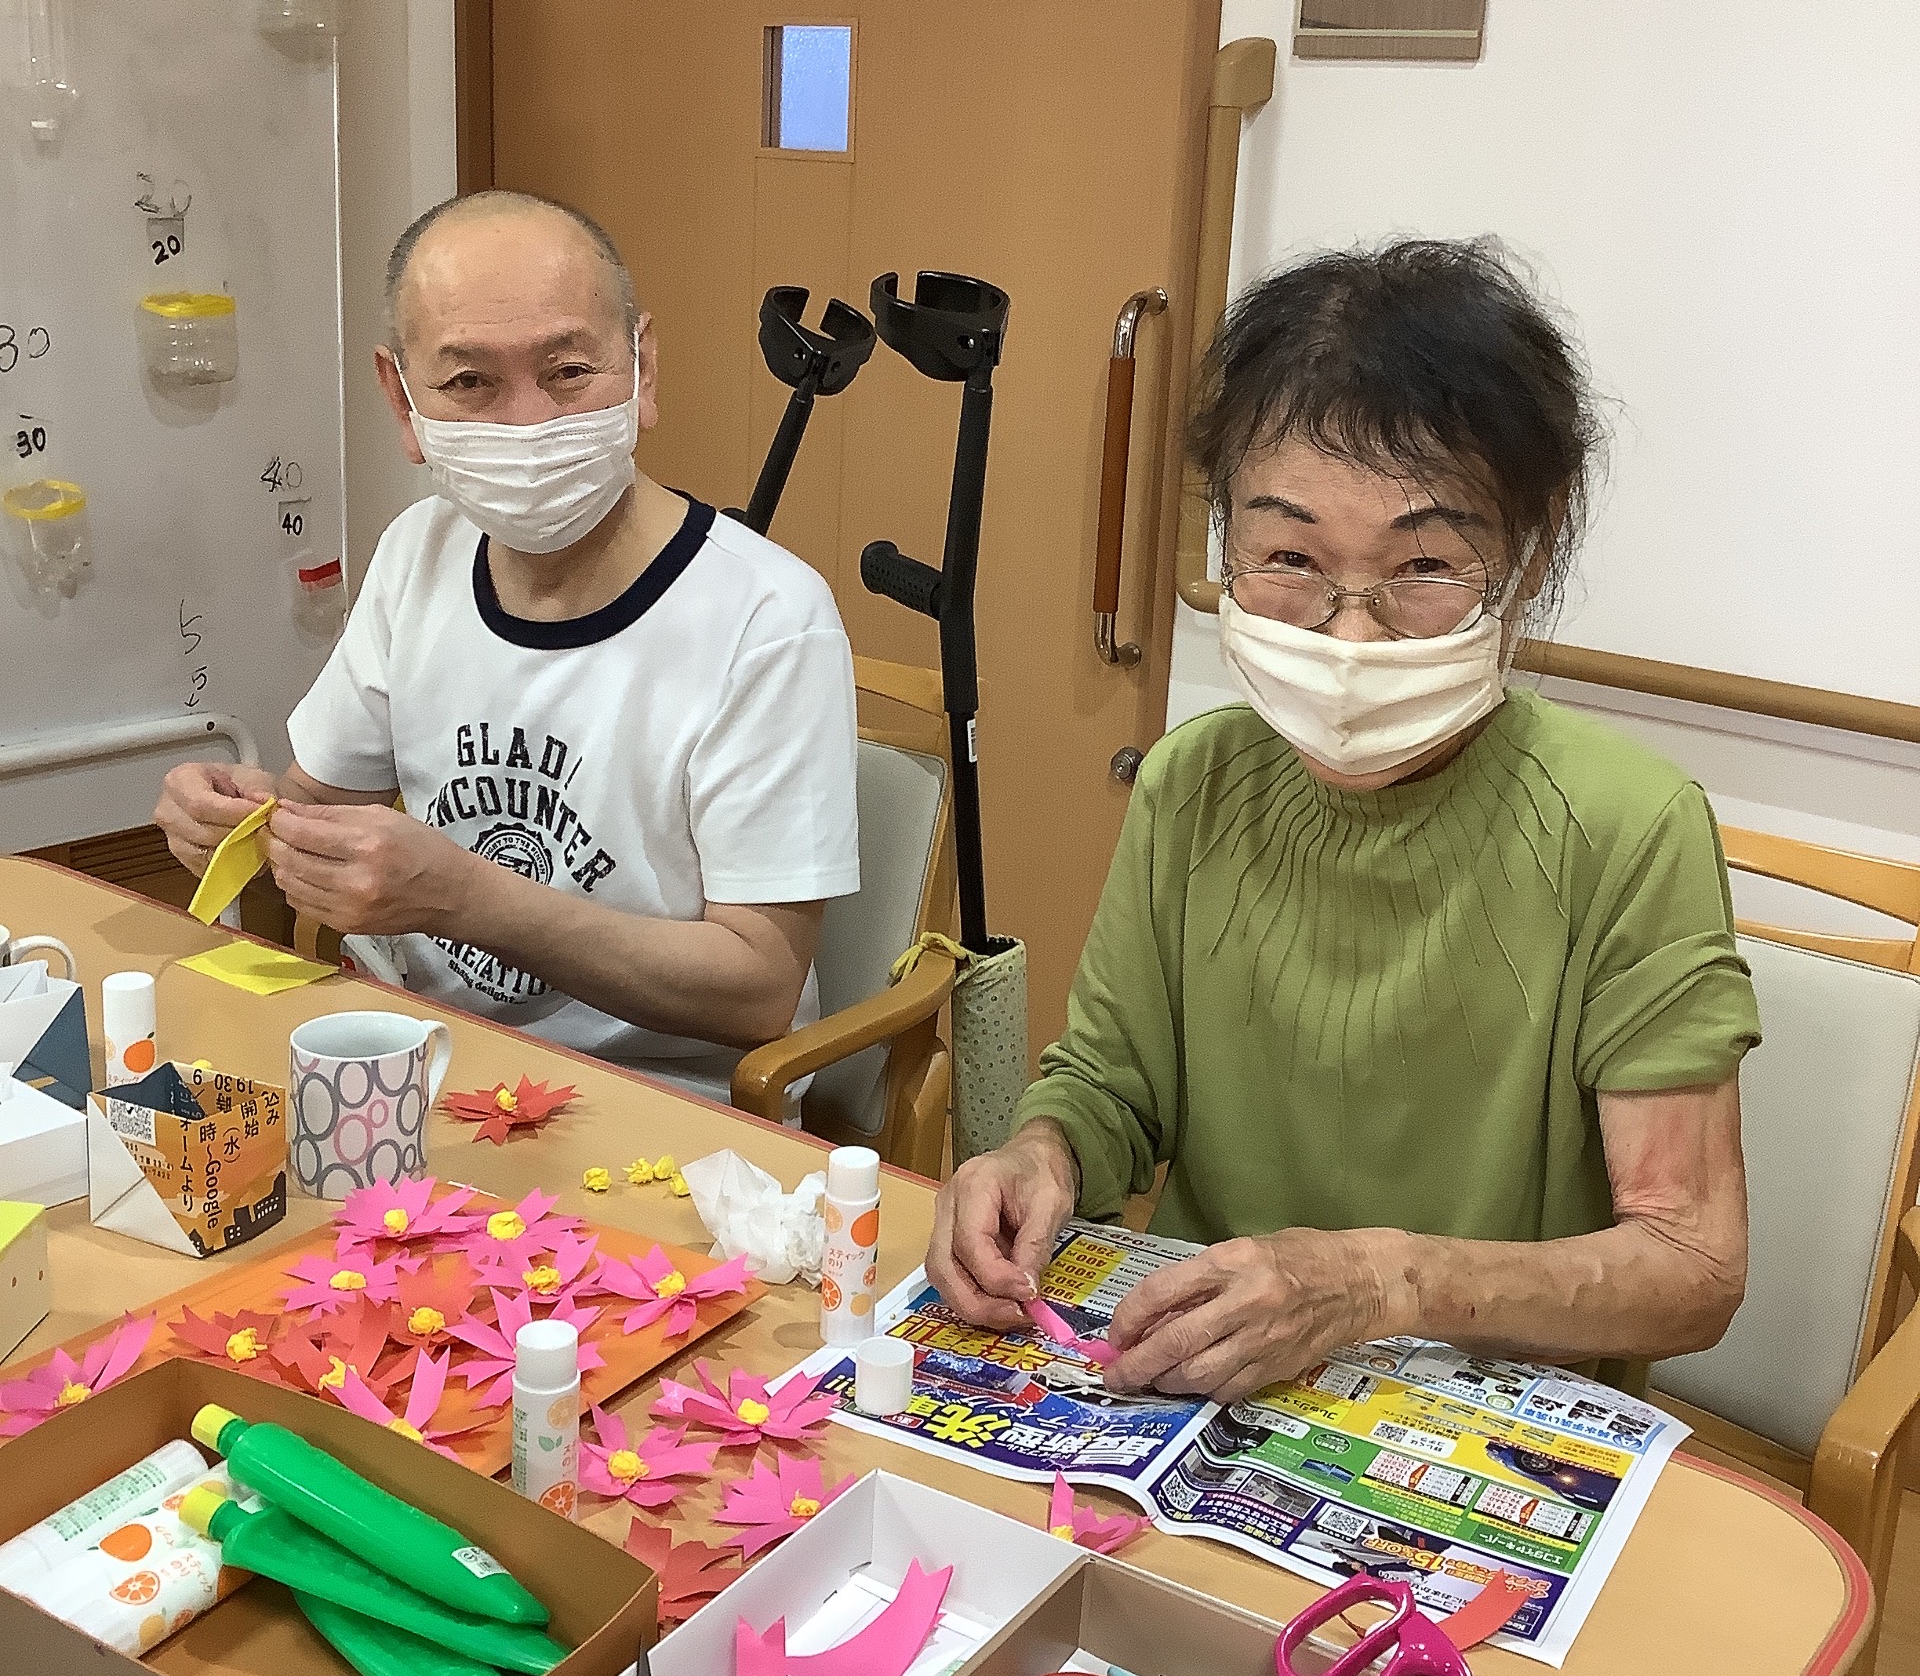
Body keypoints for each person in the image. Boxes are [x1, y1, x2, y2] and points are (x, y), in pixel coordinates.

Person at [930, 238, 1760, 1399]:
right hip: (1206, 1382)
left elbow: (1691, 1266)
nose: (1349, 636)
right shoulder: (1193, 781)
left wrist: (1378, 1282)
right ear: (1225, 537)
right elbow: (1113, 1085)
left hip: (1475, 1415)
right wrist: (1039, 1153)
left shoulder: (1629, 826)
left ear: (1528, 555)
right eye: (1289, 556)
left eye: (1424, 566)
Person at [156, 189, 860, 1101]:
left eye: (568, 371)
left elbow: (759, 986)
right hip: (413, 1056)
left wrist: (466, 899)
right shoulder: (420, 552)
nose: (529, 423)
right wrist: (239, 824)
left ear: (643, 368)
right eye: (469, 383)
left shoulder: (769, 618)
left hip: (655, 1103)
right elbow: (317, 806)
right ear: (402, 400)